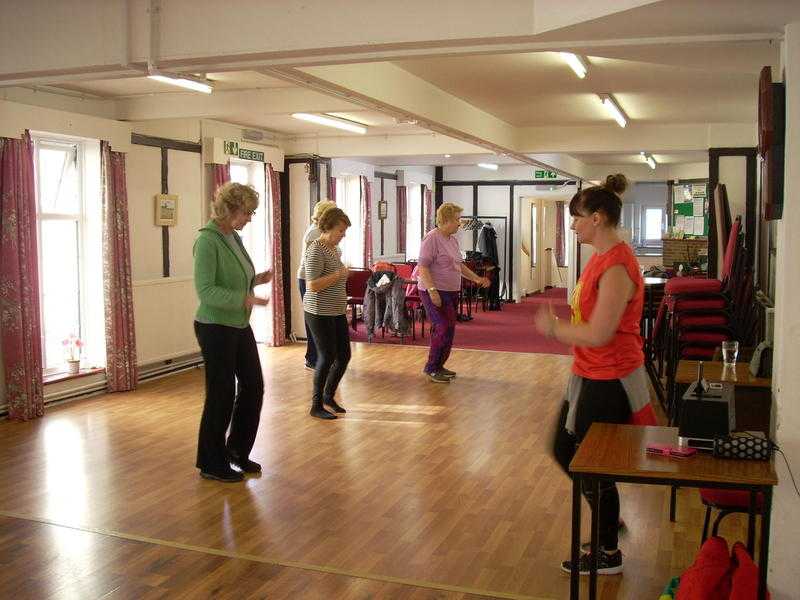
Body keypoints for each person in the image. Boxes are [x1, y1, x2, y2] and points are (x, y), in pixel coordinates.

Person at [534, 180, 655, 576]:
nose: (572, 226)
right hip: (589, 372)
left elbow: (600, 333)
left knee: (588, 460)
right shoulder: (602, 257)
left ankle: (607, 552)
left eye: (576, 218)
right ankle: (608, 516)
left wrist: (554, 329)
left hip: (610, 377)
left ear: (597, 218)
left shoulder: (617, 265)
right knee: (566, 451)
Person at [193, 182, 272, 482]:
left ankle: (237, 451)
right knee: (221, 395)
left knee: (254, 386)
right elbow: (206, 291)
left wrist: (256, 280)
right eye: (247, 212)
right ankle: (211, 462)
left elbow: (238, 278)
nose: (250, 218)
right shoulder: (207, 241)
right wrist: (244, 298)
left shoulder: (233, 237)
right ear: (230, 209)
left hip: (238, 325)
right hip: (214, 327)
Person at [417, 203, 491, 383]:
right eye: (457, 219)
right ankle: (431, 367)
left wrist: (476, 279)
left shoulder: (452, 240)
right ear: (446, 220)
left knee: (449, 329)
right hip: (433, 290)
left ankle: (440, 365)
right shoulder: (431, 239)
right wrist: (432, 290)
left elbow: (459, 266)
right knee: (441, 327)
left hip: (450, 291)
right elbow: (423, 267)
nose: (460, 223)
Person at [303, 207, 353, 420]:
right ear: (328, 227)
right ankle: (316, 405)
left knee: (344, 355)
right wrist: (339, 274)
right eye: (341, 230)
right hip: (318, 311)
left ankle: (328, 396)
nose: (343, 235)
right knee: (326, 356)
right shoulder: (315, 249)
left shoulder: (333, 249)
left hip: (336, 310)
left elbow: (335, 277)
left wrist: (341, 275)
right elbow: (312, 285)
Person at [297, 199, 337, 370]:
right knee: (315, 321)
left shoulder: (322, 232)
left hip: (319, 280)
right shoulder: (314, 233)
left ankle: (320, 357)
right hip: (310, 280)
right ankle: (313, 359)